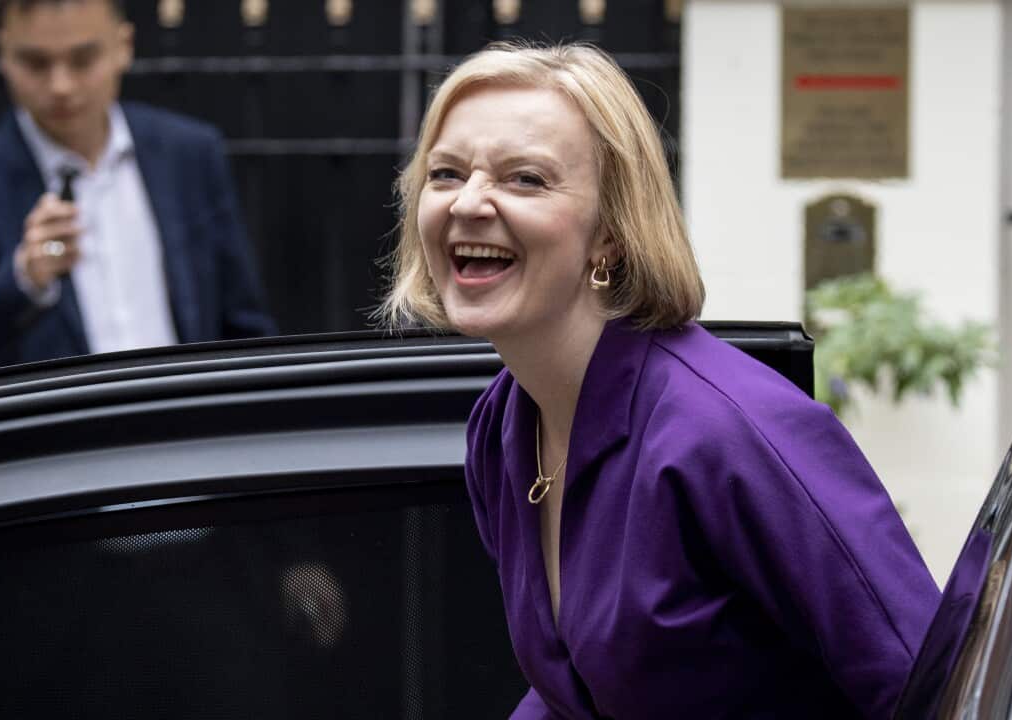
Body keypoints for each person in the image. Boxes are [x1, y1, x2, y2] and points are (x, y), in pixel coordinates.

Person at [382, 42, 940, 718]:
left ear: (610, 234)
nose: (469, 203)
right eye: (446, 173)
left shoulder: (727, 432)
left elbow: (925, 685)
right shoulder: (504, 428)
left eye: (525, 178)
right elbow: (574, 691)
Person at [0, 0, 276, 375]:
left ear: (124, 46)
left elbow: (243, 326)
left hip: (189, 421)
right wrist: (23, 278)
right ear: (4, 54)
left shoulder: (189, 155)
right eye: (36, 63)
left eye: (83, 60)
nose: (61, 86)